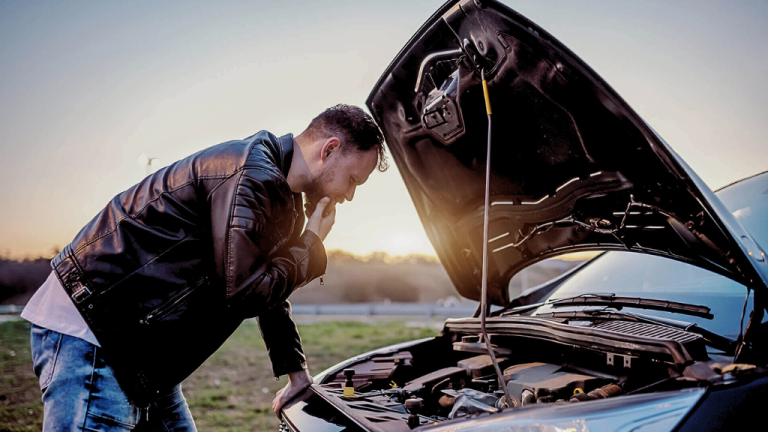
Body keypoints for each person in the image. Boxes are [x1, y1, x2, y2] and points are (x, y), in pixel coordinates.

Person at [21, 104, 387, 431]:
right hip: (96, 331)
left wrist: (297, 374)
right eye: (353, 179)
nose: (349, 195)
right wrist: (310, 247)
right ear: (330, 149)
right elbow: (245, 292)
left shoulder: (283, 200)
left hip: (140, 352)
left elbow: (269, 293)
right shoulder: (251, 175)